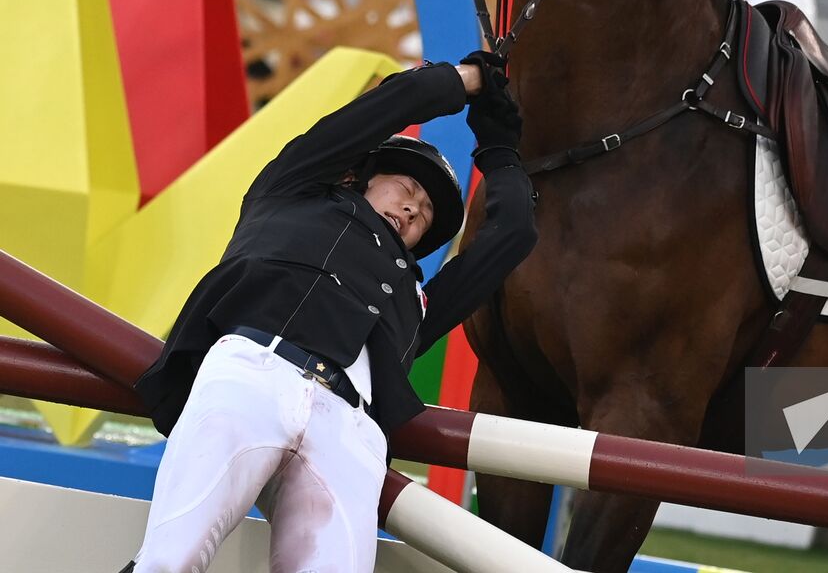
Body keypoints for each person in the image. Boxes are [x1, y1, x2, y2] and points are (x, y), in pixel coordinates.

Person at [123, 54, 535, 573]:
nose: (412, 210)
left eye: (425, 214)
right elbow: (393, 103)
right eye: (406, 190)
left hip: (350, 430)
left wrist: (500, 148)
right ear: (355, 178)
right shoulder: (290, 191)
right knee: (169, 561)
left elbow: (515, 232)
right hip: (253, 375)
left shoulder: (416, 299)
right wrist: (469, 82)